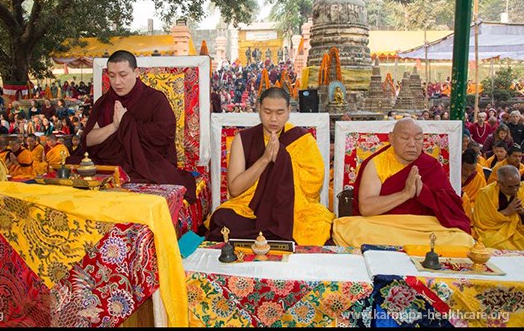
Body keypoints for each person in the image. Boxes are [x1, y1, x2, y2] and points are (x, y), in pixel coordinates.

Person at [206, 87, 335, 245]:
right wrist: (265, 159)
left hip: (293, 210)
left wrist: (283, 160)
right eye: (267, 112)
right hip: (251, 210)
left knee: (318, 224)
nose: (273, 119)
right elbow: (234, 189)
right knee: (221, 219)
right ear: (258, 109)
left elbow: (313, 186)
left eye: (280, 113)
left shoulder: (303, 140)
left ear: (289, 111)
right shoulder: (244, 139)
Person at [70, 50, 197, 203]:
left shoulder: (155, 100)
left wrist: (127, 122)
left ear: (136, 72)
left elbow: (165, 135)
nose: (117, 82)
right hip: (109, 166)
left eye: (123, 75)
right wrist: (116, 125)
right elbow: (89, 140)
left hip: (146, 167)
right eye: (112, 75)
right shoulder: (104, 102)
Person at [332, 118, 473, 247]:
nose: (412, 144)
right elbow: (366, 208)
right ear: (391, 139)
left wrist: (423, 191)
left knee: (462, 240)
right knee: (354, 231)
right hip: (384, 225)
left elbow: (451, 209)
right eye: (405, 138)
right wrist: (405, 194)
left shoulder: (431, 166)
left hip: (423, 227)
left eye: (418, 139)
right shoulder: (377, 163)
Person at [473, 165, 524, 250]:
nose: (515, 189)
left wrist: (522, 212)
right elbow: (482, 221)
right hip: (493, 231)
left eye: (517, 185)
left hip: (517, 230)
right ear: (499, 183)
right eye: (510, 187)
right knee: (503, 247)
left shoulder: (522, 190)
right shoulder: (486, 193)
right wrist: (506, 212)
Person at [461, 148, 487, 221]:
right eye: (465, 169)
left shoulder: (478, 178)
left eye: (472, 170)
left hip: (472, 209)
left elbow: (483, 199)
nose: (469, 173)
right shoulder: (450, 175)